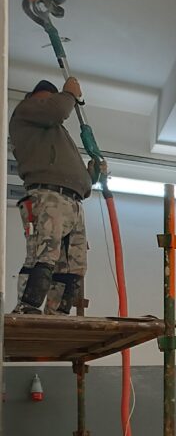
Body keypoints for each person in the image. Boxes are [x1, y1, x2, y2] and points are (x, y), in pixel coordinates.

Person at [10, 77, 100, 315]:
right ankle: (27, 307)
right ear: (34, 98)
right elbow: (56, 110)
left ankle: (57, 313)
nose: (52, 101)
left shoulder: (55, 133)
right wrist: (69, 94)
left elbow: (69, 172)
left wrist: (90, 176)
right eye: (47, 98)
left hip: (72, 201)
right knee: (44, 255)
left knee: (73, 266)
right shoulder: (27, 112)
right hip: (47, 194)